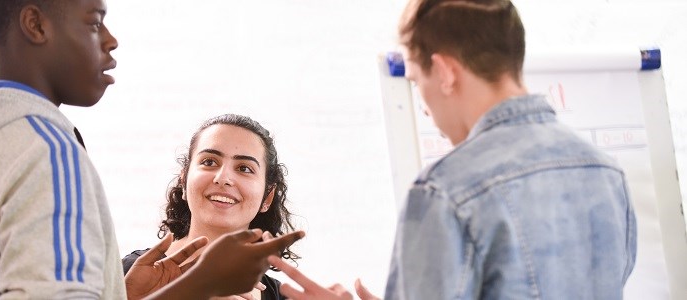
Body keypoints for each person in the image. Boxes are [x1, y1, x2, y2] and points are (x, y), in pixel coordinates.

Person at [0, 0, 302, 298]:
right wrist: (197, 287)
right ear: (35, 24)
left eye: (245, 168)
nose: (111, 39)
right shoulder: (48, 153)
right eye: (94, 20)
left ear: (268, 195)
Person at [268, 0, 637, 299]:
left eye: (416, 80)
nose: (424, 107)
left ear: (444, 72)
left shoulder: (444, 189)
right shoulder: (605, 171)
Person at [122, 114, 299, 300]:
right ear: (184, 181)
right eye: (209, 162)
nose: (223, 178)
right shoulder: (129, 276)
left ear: (267, 198)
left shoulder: (281, 296)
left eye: (244, 168)